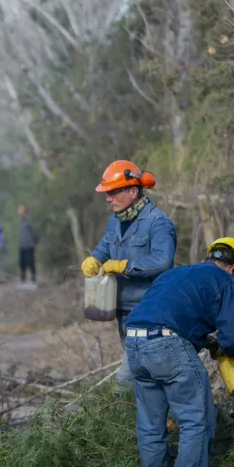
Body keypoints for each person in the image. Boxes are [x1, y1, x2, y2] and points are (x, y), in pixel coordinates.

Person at [123, 237, 234, 467]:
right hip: (167, 343)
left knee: (150, 423)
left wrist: (205, 340)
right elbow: (233, 338)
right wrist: (227, 350)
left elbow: (169, 310)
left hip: (134, 342)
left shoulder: (177, 273)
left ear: (208, 258)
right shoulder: (226, 281)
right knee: (196, 418)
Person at [81, 161, 177, 382]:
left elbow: (163, 261)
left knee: (127, 378)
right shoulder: (115, 221)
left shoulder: (158, 223)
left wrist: (125, 266)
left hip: (150, 311)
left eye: (113, 192)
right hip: (124, 311)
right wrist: (94, 259)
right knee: (146, 379)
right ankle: (151, 415)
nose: (108, 198)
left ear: (133, 191)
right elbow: (105, 246)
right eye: (107, 193)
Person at [17, 205, 40, 287]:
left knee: (30, 263)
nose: (18, 211)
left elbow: (35, 232)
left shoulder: (29, 220)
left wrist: (34, 242)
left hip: (29, 246)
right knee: (22, 264)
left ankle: (33, 280)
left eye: (20, 209)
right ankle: (23, 281)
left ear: (24, 210)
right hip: (22, 246)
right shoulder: (21, 220)